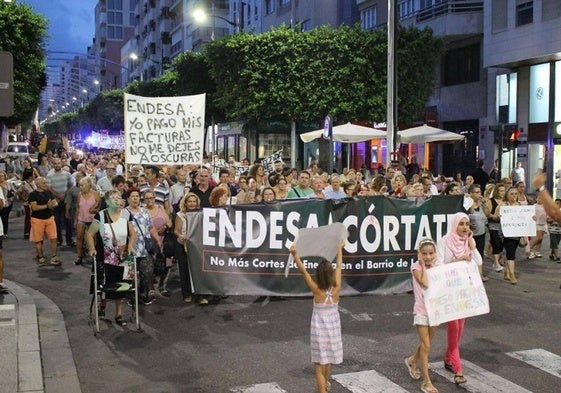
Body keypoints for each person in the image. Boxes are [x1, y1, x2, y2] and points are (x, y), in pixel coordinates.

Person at [290, 241, 344, 393]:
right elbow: (339, 266)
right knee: (328, 360)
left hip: (319, 328)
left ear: (318, 275)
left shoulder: (316, 289)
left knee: (319, 364)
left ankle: (322, 390)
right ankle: (325, 385)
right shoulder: (337, 287)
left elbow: (303, 272)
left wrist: (295, 255)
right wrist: (339, 249)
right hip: (333, 328)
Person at [437, 213, 482, 385]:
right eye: (461, 224)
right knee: (453, 329)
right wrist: (459, 259)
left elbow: (477, 261)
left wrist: (472, 246)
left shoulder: (467, 242)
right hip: (449, 291)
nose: (464, 227)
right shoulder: (444, 241)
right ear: (454, 225)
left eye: (467, 224)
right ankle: (458, 370)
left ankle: (448, 358)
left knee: (460, 329)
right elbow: (438, 266)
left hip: (464, 291)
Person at [85, 189, 136, 326]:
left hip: (123, 256)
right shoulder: (100, 216)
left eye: (118, 197)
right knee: (105, 284)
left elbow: (133, 234)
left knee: (122, 286)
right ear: (107, 201)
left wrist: (130, 246)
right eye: (113, 197)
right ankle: (103, 305)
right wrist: (92, 248)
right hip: (104, 256)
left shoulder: (126, 214)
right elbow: (90, 234)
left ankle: (118, 314)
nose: (117, 199)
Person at [405, 238, 439, 393]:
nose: (428, 257)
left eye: (431, 253)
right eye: (424, 254)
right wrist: (424, 266)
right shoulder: (415, 267)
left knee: (426, 344)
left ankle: (412, 360)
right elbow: (424, 282)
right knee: (426, 346)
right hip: (421, 311)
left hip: (435, 310)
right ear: (419, 254)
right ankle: (427, 382)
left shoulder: (439, 267)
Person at [127, 187, 161, 305]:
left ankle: (142, 293)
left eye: (137, 196)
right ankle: (131, 296)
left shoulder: (144, 212)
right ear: (128, 199)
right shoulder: (124, 213)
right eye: (133, 196)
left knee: (147, 273)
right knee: (130, 275)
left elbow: (151, 227)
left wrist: (158, 240)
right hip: (130, 249)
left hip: (144, 249)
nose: (135, 199)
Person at [174, 193, 201, 304]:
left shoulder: (200, 214)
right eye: (189, 201)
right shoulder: (180, 215)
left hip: (197, 247)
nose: (192, 204)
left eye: (194, 201)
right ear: (185, 202)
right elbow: (176, 230)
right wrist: (180, 236)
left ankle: (201, 294)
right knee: (184, 271)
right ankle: (187, 294)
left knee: (199, 271)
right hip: (183, 246)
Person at [29, 177, 60, 266]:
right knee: (38, 240)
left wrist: (53, 205)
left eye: (46, 182)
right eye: (44, 183)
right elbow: (34, 207)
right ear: (38, 184)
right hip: (37, 220)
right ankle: (41, 257)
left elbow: (55, 203)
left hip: (49, 218)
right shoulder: (33, 195)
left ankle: (54, 256)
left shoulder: (49, 192)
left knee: (54, 238)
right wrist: (47, 206)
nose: (46, 184)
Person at [73, 176, 100, 265]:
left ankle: (93, 256)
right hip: (81, 219)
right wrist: (75, 220)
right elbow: (77, 207)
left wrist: (95, 210)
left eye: (82, 186)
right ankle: (79, 256)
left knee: (93, 238)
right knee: (79, 237)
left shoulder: (96, 194)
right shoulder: (80, 195)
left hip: (93, 220)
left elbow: (100, 207)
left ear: (88, 185)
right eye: (80, 185)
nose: (80, 187)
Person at [497, 187, 522, 284]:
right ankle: (512, 275)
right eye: (512, 194)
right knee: (511, 254)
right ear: (507, 195)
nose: (514, 196)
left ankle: (507, 272)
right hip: (506, 233)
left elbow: (525, 218)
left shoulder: (520, 205)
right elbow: (496, 215)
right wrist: (500, 216)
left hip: (517, 233)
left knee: (511, 252)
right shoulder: (503, 205)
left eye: (516, 194)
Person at [485, 183, 506, 272]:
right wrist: (494, 216)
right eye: (501, 191)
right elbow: (487, 214)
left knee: (501, 244)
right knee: (496, 243)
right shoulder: (491, 201)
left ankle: (498, 258)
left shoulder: (506, 201)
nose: (503, 193)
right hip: (493, 225)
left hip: (503, 226)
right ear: (497, 191)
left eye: (504, 191)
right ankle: (496, 263)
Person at [0, 171, 15, 238]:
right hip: (0, 203)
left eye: (2, 176)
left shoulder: (8, 184)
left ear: (5, 176)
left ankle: (4, 232)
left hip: (7, 204)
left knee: (4, 218)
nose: (1, 177)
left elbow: (14, 191)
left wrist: (12, 197)